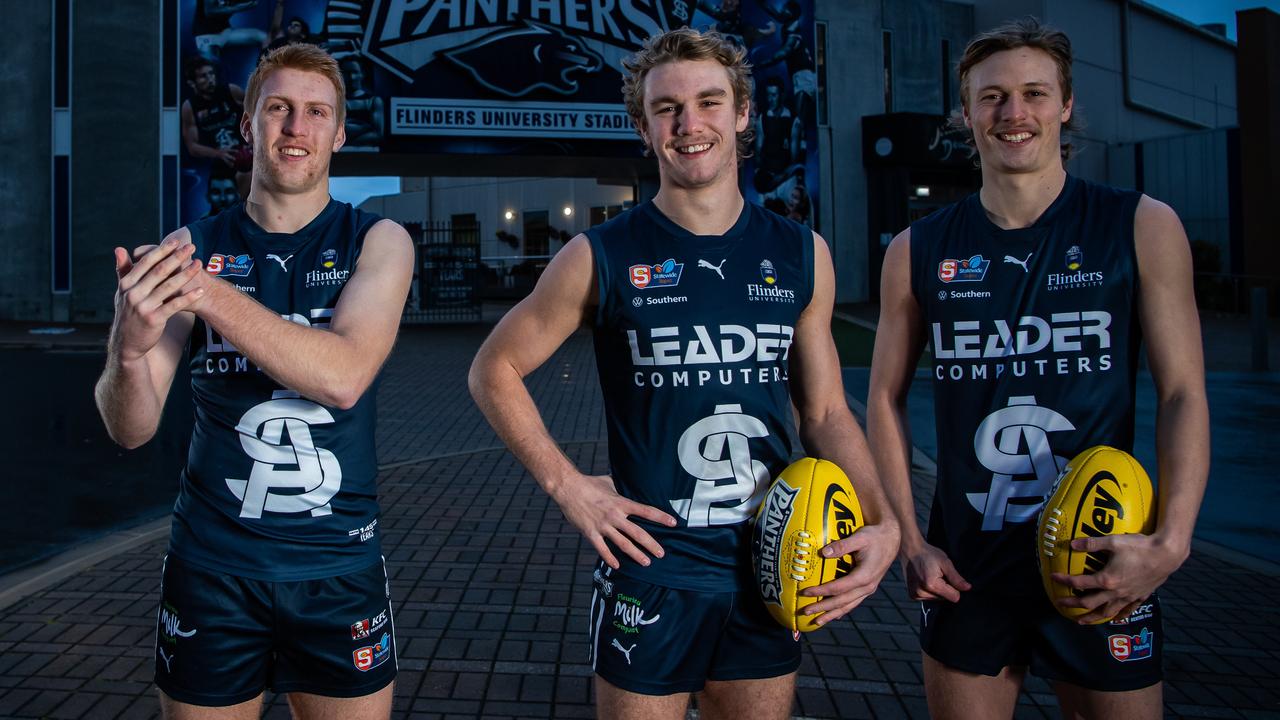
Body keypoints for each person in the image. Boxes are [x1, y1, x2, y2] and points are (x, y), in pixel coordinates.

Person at [469, 27, 899, 720]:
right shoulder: (600, 254)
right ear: (643, 127)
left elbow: (824, 415)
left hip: (773, 562)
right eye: (667, 109)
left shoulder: (800, 253)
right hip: (653, 571)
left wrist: (884, 522)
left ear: (742, 113)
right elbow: (494, 368)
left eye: (708, 102)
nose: (689, 124)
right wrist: (571, 489)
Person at [867, 18, 1209, 720]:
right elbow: (882, 399)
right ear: (966, 113)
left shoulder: (1141, 224)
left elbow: (1182, 394)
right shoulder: (918, 247)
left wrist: (1170, 542)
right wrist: (910, 537)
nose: (1013, 114)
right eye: (992, 97)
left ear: (1066, 103)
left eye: (1033, 93)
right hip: (968, 568)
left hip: (1102, 555)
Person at [95, 43, 413, 719]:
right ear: (248, 125)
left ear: (338, 132)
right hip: (212, 570)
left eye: (315, 112)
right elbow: (130, 428)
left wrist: (205, 294)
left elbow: (345, 376)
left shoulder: (377, 241)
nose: (296, 127)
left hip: (337, 569)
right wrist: (127, 354)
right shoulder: (189, 244)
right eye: (278, 109)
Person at [181, 56, 252, 200]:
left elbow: (258, 117)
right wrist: (219, 153)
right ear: (192, 83)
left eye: (211, 74)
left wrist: (253, 144)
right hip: (219, 164)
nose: (210, 79)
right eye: (203, 76)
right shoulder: (189, 107)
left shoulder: (231, 91)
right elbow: (192, 147)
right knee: (224, 205)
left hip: (248, 157)